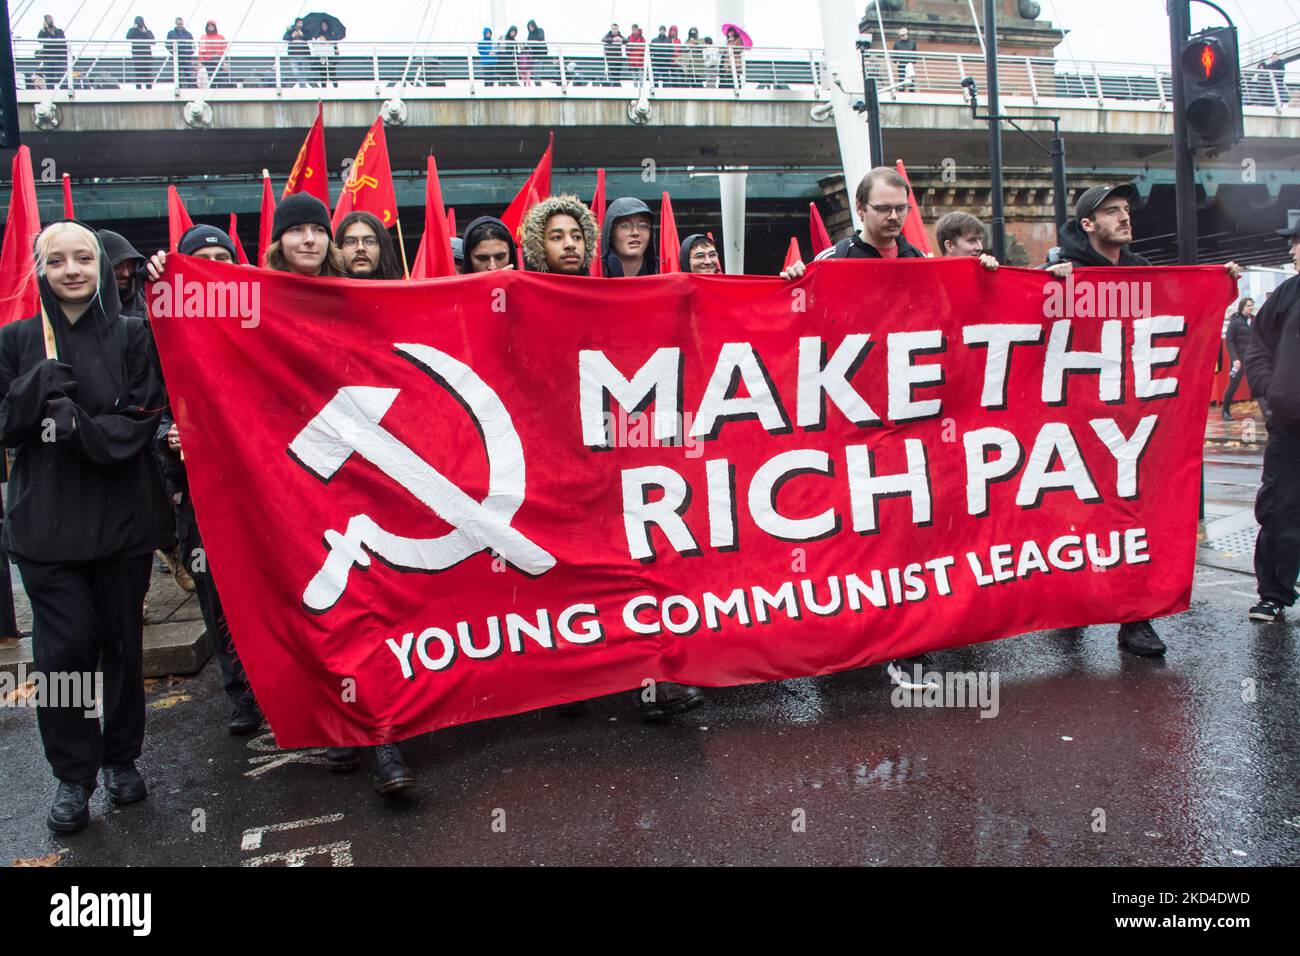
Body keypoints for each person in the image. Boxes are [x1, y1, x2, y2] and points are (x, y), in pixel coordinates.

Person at [0, 221, 173, 833]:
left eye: (83, 259)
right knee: (64, 650)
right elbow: (3, 426)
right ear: (40, 272)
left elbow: (146, 414)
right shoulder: (18, 340)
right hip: (45, 528)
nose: (71, 270)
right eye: (56, 261)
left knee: (120, 643)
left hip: (121, 522)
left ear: (100, 267)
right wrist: (31, 392)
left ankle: (121, 759)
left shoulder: (132, 336)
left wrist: (85, 430)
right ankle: (73, 776)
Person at [1052, 183, 1241, 655]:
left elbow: (1183, 312)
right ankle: (1064, 603)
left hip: (1132, 423)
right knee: (1069, 518)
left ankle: (1135, 620)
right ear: (1088, 224)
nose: (1125, 217)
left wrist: (1221, 282)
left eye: (1125, 210)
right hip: (1075, 422)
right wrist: (1043, 282)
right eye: (1112, 212)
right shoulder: (1064, 274)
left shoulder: (1143, 275)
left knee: (1134, 519)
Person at [143, 225, 264, 737]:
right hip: (202, 495)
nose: (212, 267)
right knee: (219, 597)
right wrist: (167, 433)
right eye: (201, 259)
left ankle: (282, 685)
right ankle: (240, 693)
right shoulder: (161, 329)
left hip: (264, 491)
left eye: (222, 257)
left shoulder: (261, 321)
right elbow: (147, 407)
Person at [1243, 222, 1300, 624]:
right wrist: (1271, 392)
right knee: (1279, 508)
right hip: (1290, 427)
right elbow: (1257, 346)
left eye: (1298, 242)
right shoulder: (1287, 293)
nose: (1293, 250)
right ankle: (1274, 595)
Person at [783, 167, 926, 278]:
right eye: (883, 208)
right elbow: (806, 308)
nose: (894, 216)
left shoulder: (921, 261)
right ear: (860, 208)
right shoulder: (833, 260)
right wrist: (795, 282)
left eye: (901, 208)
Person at [262, 194, 348, 277]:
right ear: (279, 242)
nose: (310, 239)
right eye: (296, 229)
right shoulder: (255, 290)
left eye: (319, 230)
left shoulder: (349, 291)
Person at [521, 195, 597, 275]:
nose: (570, 244)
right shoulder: (515, 287)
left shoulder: (600, 287)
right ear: (536, 246)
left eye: (577, 237)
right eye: (557, 237)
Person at [601, 198, 659, 277]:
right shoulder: (593, 276)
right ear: (610, 232)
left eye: (642, 226)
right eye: (625, 226)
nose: (635, 233)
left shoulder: (663, 274)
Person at [97, 229, 148, 320]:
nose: (126, 273)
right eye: (117, 265)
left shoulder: (145, 295)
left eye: (130, 265)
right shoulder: (83, 304)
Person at [337, 211, 403, 280]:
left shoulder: (402, 290)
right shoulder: (325, 290)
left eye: (369, 241)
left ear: (382, 248)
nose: (360, 248)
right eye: (351, 242)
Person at [933, 211, 1001, 271]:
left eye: (980, 240)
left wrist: (990, 274)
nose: (980, 247)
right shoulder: (931, 279)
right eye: (972, 240)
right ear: (950, 246)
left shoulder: (981, 272)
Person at [1222, 296, 1254, 421]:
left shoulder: (1254, 321)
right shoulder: (1235, 322)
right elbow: (1229, 341)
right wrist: (1235, 358)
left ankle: (1268, 412)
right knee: (1233, 386)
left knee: (1258, 384)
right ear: (1242, 307)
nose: (1250, 308)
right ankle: (1225, 410)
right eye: (1248, 305)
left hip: (1252, 359)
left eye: (1252, 305)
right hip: (1239, 360)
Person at [37, 15, 69, 89]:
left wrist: (51, 33)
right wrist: (44, 30)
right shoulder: (44, 32)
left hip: (59, 58)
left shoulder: (59, 31)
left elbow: (61, 42)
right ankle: (50, 92)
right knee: (49, 77)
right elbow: (39, 39)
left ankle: (63, 90)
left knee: (61, 77)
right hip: (48, 57)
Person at [197, 20, 228, 89]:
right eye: (209, 25)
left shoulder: (220, 37)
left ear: (215, 26)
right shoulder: (203, 37)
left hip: (218, 61)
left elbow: (224, 49)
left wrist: (224, 61)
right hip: (208, 61)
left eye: (212, 25)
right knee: (210, 78)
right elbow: (201, 51)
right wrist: (201, 62)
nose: (211, 27)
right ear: (207, 27)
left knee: (221, 78)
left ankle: (221, 91)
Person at [166, 17, 196, 87]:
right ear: (176, 24)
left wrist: (188, 53)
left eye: (182, 24)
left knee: (188, 76)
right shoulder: (171, 33)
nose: (180, 26)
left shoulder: (188, 34)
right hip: (177, 58)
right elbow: (167, 45)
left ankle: (190, 91)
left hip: (186, 59)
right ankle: (179, 89)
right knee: (177, 77)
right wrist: (174, 52)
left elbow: (193, 46)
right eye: (179, 24)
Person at [126, 17, 155, 89]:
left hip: (147, 57)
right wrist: (133, 28)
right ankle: (138, 90)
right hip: (137, 56)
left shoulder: (147, 31)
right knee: (138, 75)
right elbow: (128, 37)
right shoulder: (132, 31)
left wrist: (144, 32)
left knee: (148, 75)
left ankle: (149, 90)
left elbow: (153, 41)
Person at [283, 18, 313, 87]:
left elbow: (309, 37)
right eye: (299, 23)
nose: (301, 25)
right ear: (296, 23)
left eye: (301, 23)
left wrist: (302, 35)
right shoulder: (290, 30)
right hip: (293, 55)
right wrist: (292, 36)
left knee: (303, 73)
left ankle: (302, 87)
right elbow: (285, 37)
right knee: (295, 72)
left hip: (304, 55)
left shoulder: (305, 31)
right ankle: (303, 86)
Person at [523, 20, 547, 85]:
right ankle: (538, 87)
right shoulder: (530, 34)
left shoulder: (539, 30)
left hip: (539, 55)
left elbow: (541, 38)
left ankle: (539, 88)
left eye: (531, 26)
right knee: (534, 73)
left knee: (536, 73)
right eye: (529, 27)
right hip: (532, 57)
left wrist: (531, 42)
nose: (531, 28)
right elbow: (527, 44)